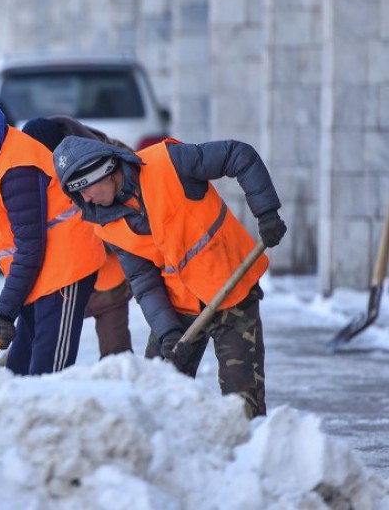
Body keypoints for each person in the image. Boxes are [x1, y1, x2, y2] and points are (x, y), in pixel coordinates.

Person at [51, 135, 287, 418]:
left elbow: (238, 154)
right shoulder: (106, 224)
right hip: (180, 307)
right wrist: (167, 332)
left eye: (85, 189)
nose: (86, 199)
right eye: (78, 195)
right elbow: (143, 281)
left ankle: (249, 457)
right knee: (154, 400)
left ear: (103, 170)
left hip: (232, 290)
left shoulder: (168, 163)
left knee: (242, 408)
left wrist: (266, 212)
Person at [0, 95, 106, 374]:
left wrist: (6, 311)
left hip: (64, 272)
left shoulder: (17, 169)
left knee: (48, 371)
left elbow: (29, 246)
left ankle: (48, 416)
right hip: (39, 273)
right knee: (20, 364)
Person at [22, 116, 133, 358]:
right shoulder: (30, 172)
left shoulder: (101, 159)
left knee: (117, 356)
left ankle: (121, 392)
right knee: (43, 348)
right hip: (62, 280)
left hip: (106, 274)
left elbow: (131, 207)